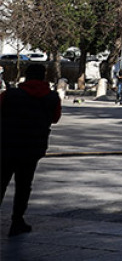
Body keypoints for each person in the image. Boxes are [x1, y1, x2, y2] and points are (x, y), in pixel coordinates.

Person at [1, 64, 61, 237]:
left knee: (1, 182)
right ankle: (17, 221)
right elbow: (56, 118)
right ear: (43, 77)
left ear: (26, 76)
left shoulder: (10, 94)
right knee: (24, 185)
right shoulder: (52, 97)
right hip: (32, 148)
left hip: (6, 145)